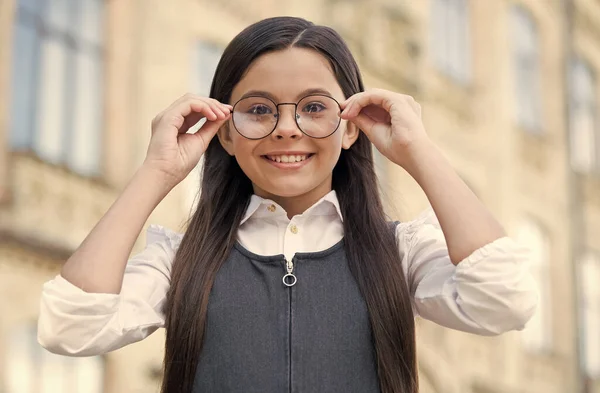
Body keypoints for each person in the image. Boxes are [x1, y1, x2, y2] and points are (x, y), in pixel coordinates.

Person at [37, 16, 538, 393]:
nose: (286, 127)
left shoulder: (399, 251)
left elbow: (504, 298)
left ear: (349, 127)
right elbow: (70, 326)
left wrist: (419, 152)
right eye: (257, 110)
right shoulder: (183, 260)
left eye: (314, 107)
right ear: (226, 134)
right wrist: (157, 172)